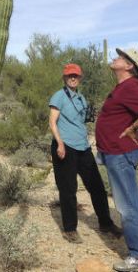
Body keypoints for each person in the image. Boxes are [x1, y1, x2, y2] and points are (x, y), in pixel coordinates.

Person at [96, 48, 138, 272]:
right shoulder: (122, 87)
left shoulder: (131, 86)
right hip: (115, 152)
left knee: (127, 206)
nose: (115, 58)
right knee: (131, 203)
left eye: (120, 57)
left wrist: (133, 127)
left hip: (121, 153)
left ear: (129, 66)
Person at [49, 63, 122, 244]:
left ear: (80, 78)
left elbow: (82, 121)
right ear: (64, 78)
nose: (72, 78)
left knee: (97, 187)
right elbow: (52, 122)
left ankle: (105, 223)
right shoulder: (58, 96)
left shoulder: (82, 98)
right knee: (68, 189)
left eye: (75, 75)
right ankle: (70, 229)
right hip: (65, 146)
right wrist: (59, 143)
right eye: (69, 76)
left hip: (83, 147)